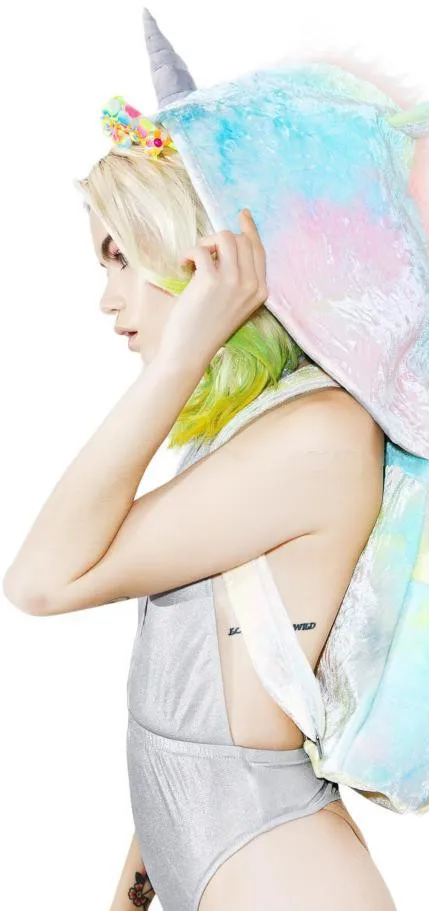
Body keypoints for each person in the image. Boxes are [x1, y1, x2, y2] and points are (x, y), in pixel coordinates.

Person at [3, 138, 397, 909]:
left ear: (198, 255)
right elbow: (176, 726)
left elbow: (39, 582)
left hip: (284, 873)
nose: (108, 298)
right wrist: (131, 898)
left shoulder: (318, 432)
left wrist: (178, 355)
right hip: (226, 860)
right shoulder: (245, 432)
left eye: (122, 258)